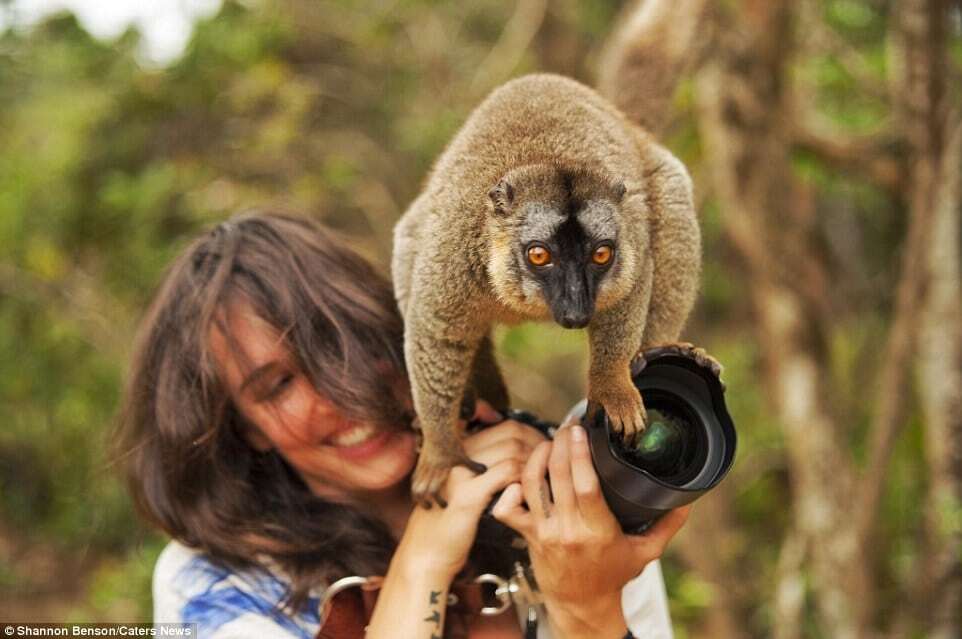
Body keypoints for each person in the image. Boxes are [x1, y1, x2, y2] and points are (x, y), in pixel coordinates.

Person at [115, 211, 690, 639]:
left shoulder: (562, 507)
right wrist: (428, 550)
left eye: (355, 345)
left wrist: (586, 605)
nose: (342, 396)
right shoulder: (217, 585)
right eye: (280, 385)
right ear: (247, 429)